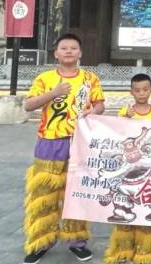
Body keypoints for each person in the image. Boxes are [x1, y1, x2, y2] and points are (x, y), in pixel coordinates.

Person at [22, 33, 105, 264]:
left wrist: (93, 111)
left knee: (76, 193)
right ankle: (40, 242)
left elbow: (100, 105)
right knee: (44, 194)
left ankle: (76, 241)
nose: (69, 51)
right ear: (56, 53)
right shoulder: (44, 78)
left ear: (80, 53)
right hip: (49, 141)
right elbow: (28, 105)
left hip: (80, 141)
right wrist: (54, 93)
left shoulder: (90, 79)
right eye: (64, 48)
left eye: (73, 48)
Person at [103, 73, 151, 264]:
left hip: (147, 175)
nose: (141, 93)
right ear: (131, 92)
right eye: (137, 90)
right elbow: (115, 134)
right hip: (127, 174)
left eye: (145, 89)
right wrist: (124, 118)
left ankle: (146, 250)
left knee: (146, 211)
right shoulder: (125, 111)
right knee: (124, 210)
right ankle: (123, 249)